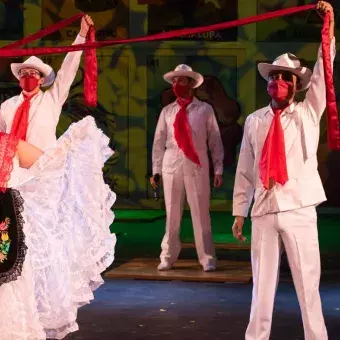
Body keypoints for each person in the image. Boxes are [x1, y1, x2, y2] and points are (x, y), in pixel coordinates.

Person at [232, 1, 335, 339]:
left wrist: (328, 24)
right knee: (261, 288)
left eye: (285, 77)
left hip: (299, 207)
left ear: (296, 84)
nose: (278, 81)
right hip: (263, 208)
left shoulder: (307, 113)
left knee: (308, 284)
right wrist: (239, 211)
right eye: (274, 76)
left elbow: (324, 71)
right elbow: (245, 167)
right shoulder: (255, 121)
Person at [0, 115, 116, 339]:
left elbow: (49, 167)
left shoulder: (9, 144)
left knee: (11, 289)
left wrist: (72, 141)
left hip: (7, 230)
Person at [151, 64, 224, 272]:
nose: (176, 84)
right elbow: (159, 141)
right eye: (174, 81)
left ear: (191, 84)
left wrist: (218, 169)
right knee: (172, 212)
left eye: (181, 80)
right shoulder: (167, 111)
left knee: (201, 213)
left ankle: (207, 257)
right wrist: (156, 170)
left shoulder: (204, 110)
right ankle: (167, 256)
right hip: (171, 164)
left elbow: (215, 140)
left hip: (197, 165)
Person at [0, 14, 93, 151]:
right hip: (13, 168)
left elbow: (68, 70)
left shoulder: (51, 99)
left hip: (42, 167)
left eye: (33, 73)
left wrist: (82, 35)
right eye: (23, 73)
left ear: (41, 80)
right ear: (19, 79)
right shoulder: (7, 106)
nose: (28, 76)